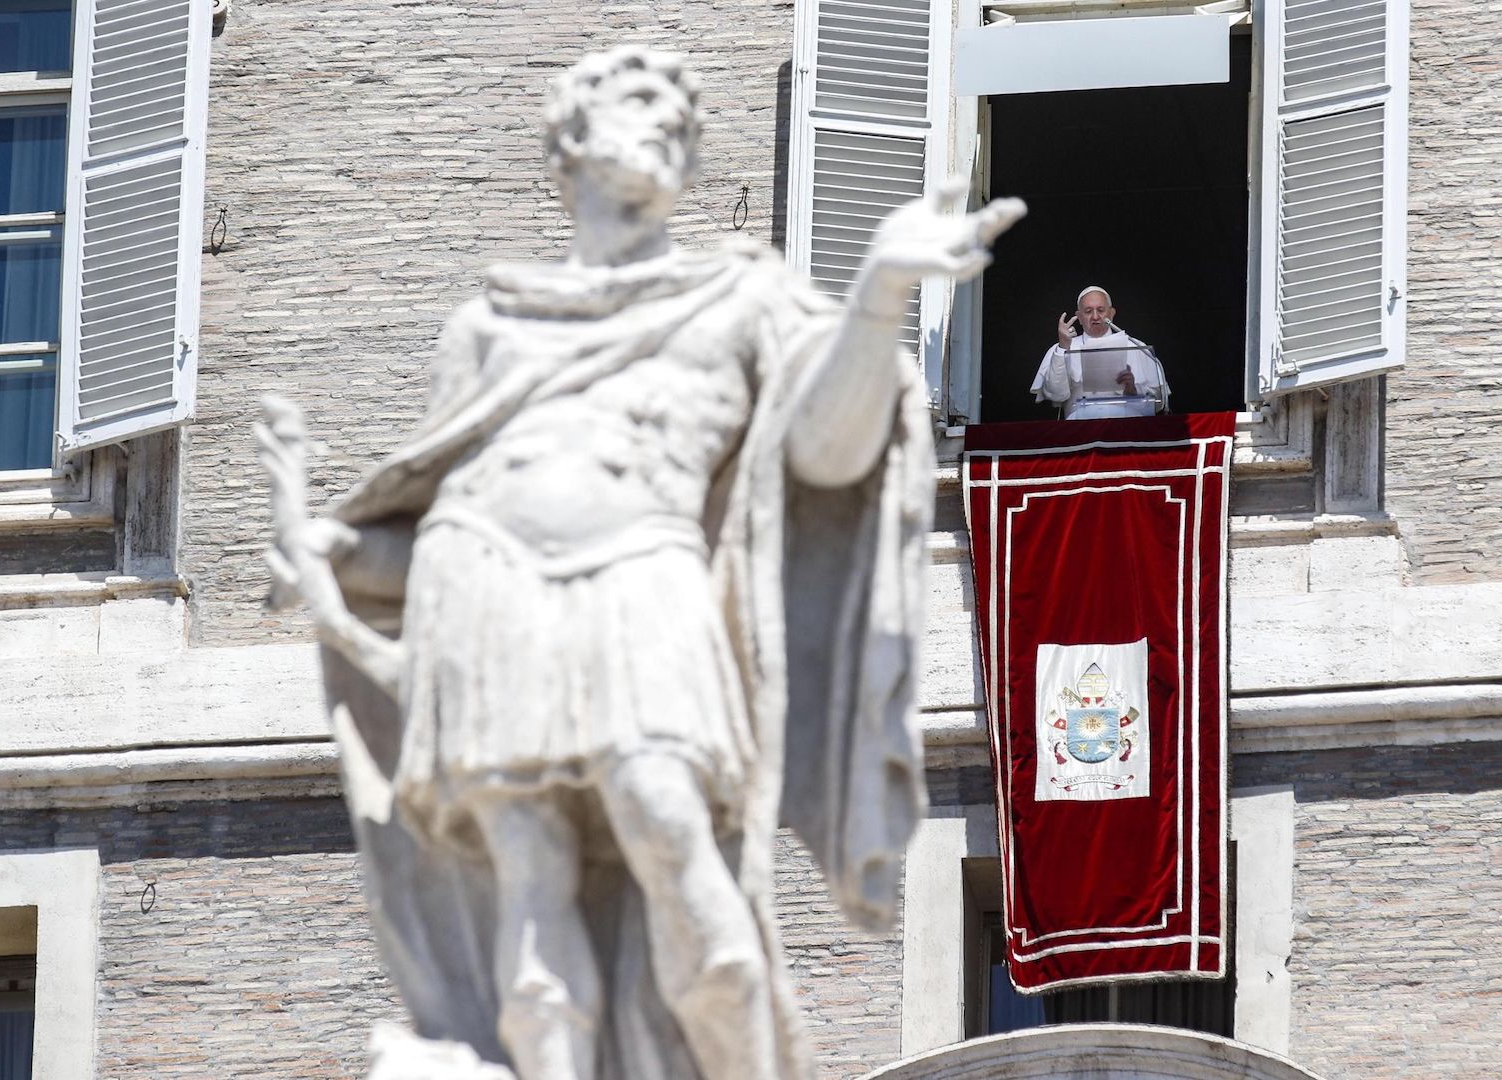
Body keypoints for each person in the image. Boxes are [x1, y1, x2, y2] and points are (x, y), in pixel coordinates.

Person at [255, 45, 1023, 1080]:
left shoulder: (737, 300)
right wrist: (337, 549)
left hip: (643, 579)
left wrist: (880, 295)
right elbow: (423, 516)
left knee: (666, 820)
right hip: (484, 585)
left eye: (681, 117)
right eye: (639, 104)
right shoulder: (488, 324)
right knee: (526, 860)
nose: (667, 124)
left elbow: (828, 453)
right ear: (571, 138)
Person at [1028, 286, 1169, 417]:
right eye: (1088, 311)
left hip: (1127, 428)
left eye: (1101, 310)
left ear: (1112, 313)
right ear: (1079, 317)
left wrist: (1132, 390)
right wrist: (1063, 348)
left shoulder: (1136, 347)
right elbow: (1055, 395)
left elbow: (1158, 403)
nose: (1095, 317)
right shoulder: (1061, 348)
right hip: (1080, 429)